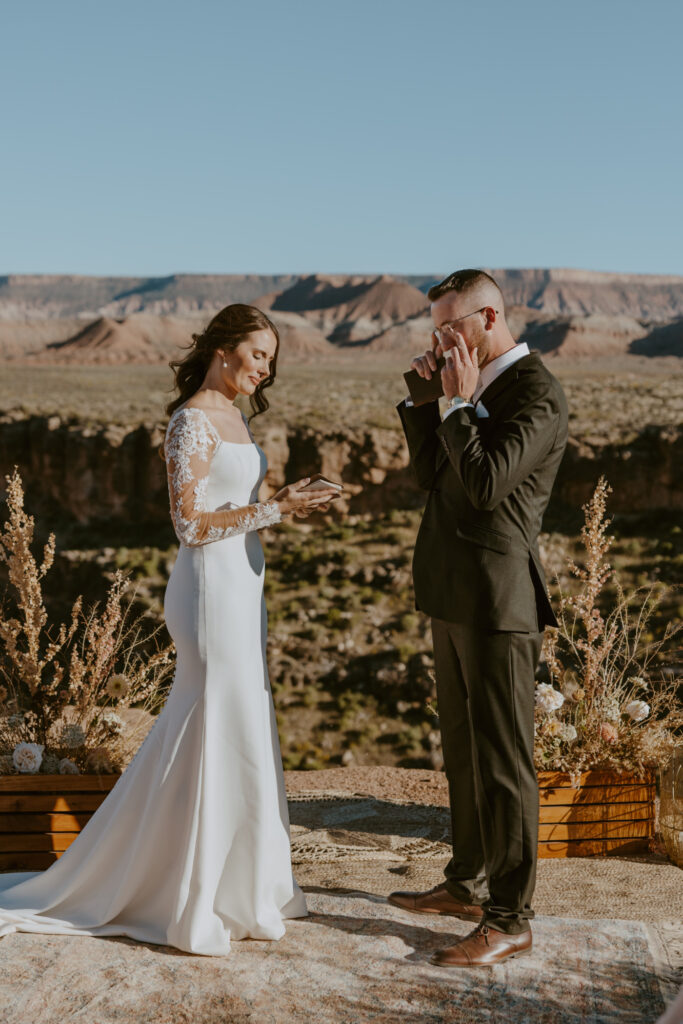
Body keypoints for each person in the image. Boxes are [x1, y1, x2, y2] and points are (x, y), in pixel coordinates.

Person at [0, 303, 340, 956]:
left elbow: (236, 505)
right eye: (258, 355)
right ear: (222, 350)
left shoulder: (237, 416)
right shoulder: (189, 419)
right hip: (208, 590)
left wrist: (285, 504)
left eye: (272, 360)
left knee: (241, 719)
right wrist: (275, 507)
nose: (265, 371)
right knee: (210, 714)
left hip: (245, 583)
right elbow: (188, 525)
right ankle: (187, 893)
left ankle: (244, 887)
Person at [388, 269, 568, 967]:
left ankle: (509, 917)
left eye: (450, 328)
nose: (440, 340)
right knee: (461, 755)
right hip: (449, 592)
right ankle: (465, 883)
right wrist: (427, 401)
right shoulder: (466, 390)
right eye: (434, 328)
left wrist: (459, 407)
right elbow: (433, 478)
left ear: (489, 319)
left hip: (498, 602)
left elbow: (488, 486)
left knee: (503, 763)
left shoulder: (537, 394)